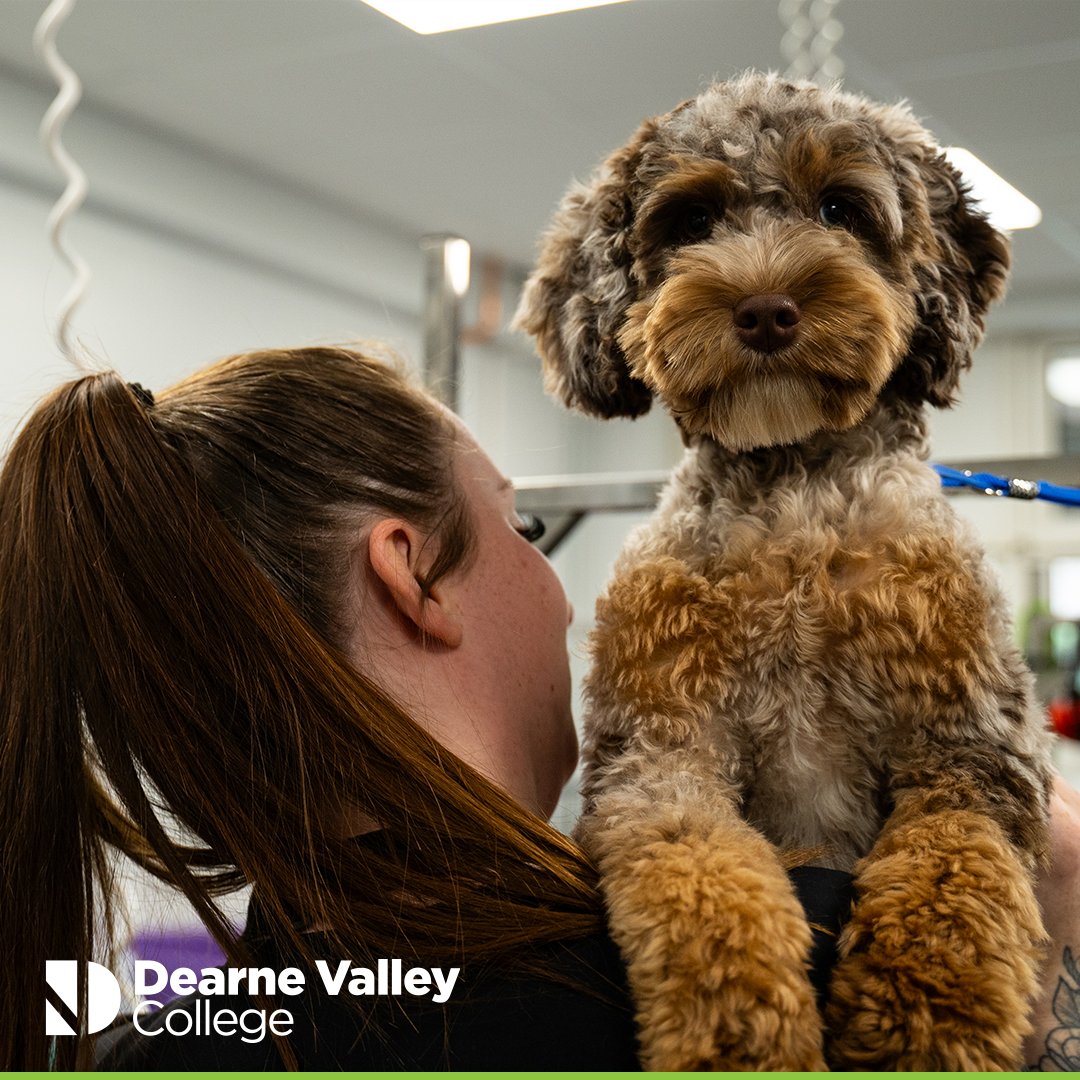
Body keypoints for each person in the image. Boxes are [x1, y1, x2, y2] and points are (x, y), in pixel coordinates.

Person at [0, 343, 1074, 1071]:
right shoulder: (785, 977)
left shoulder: (145, 1044)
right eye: (518, 528)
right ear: (412, 575)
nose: (562, 593)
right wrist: (1056, 903)